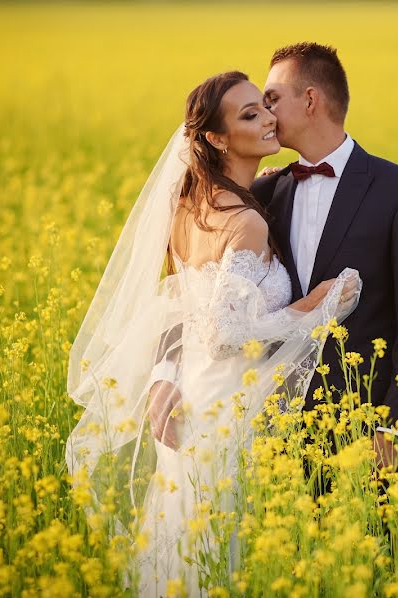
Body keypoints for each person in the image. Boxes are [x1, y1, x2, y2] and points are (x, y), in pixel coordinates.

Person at [65, 71, 360, 597]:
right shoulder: (245, 220)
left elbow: (178, 308)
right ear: (217, 139)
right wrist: (315, 309)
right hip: (226, 413)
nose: (269, 118)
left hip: (194, 402)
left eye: (265, 106)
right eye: (250, 114)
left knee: (186, 542)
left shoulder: (188, 209)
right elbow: (225, 334)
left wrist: (164, 374)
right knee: (220, 553)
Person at [253, 43, 398, 475]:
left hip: (369, 439)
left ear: (310, 100)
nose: (265, 115)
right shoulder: (263, 194)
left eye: (272, 99)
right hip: (276, 438)